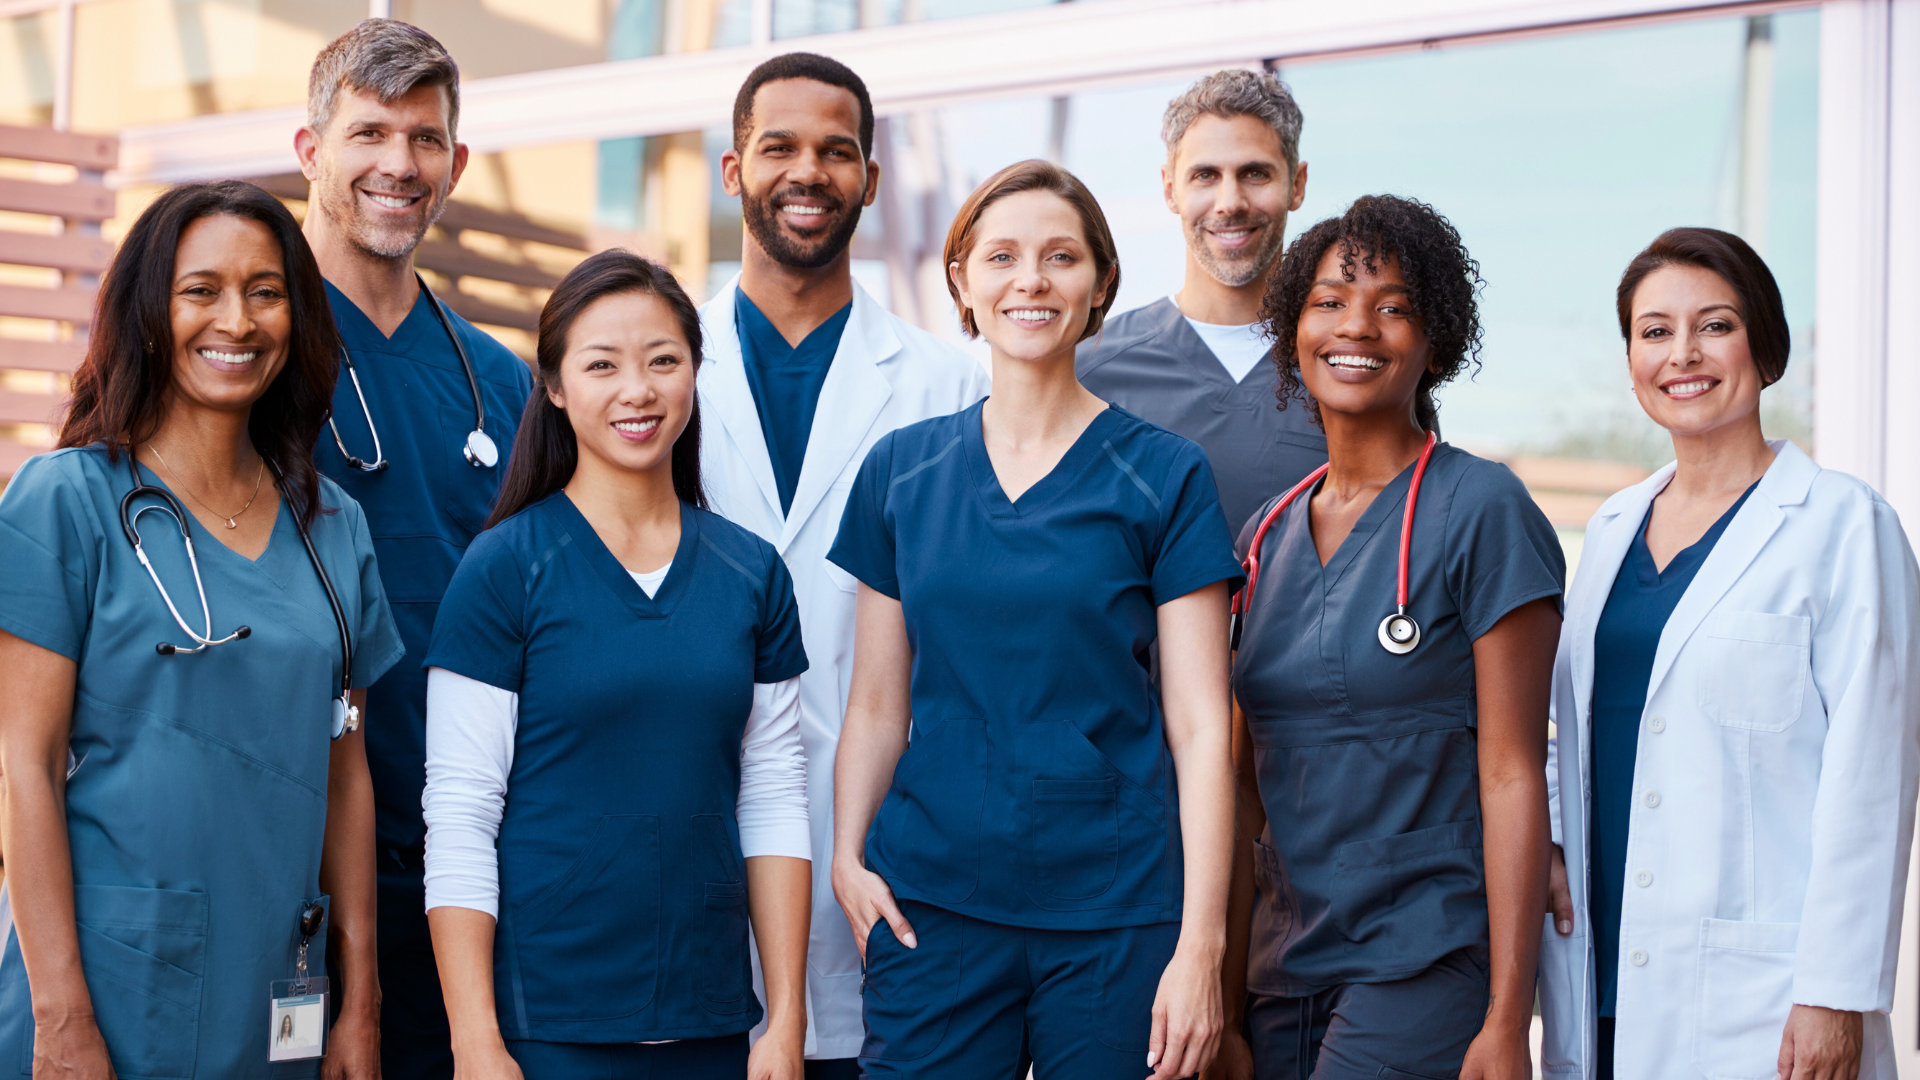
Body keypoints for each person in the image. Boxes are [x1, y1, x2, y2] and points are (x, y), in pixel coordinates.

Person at [830, 159, 1242, 1080]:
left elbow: (1201, 725)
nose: (1031, 280)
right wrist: (846, 858)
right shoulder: (901, 472)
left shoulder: (1165, 475)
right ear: (963, 285)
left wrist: (1200, 945)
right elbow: (875, 705)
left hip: (1115, 912)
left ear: (1098, 286)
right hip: (931, 905)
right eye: (1003, 256)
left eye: (1061, 258)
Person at [0, 180, 402, 1078]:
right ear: (150, 310)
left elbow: (346, 772)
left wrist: (360, 1001)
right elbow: (22, 767)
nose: (238, 319)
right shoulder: (67, 502)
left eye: (266, 292)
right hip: (108, 985)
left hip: (277, 984)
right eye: (201, 290)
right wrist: (61, 1018)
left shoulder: (331, 525)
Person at [1537, 228, 1920, 1080]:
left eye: (1714, 325)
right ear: (1632, 359)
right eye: (1654, 331)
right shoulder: (1608, 530)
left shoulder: (1843, 526)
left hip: (1766, 995)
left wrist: (1836, 991)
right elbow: (1574, 726)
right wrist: (1551, 841)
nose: (1683, 354)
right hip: (1603, 966)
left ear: (1765, 347)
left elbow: (1874, 778)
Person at [421, 250, 812, 1079]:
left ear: (694, 375)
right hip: (547, 1031)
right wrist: (475, 1041)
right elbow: (460, 816)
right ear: (555, 385)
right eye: (602, 365)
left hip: (712, 1026)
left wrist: (785, 1019)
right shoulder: (503, 570)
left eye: (663, 361)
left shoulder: (752, 573)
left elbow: (774, 798)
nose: (638, 390)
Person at [1217, 195, 1562, 1080]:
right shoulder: (1265, 535)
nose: (1355, 326)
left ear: (1434, 338)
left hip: (1423, 955)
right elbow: (1243, 788)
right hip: (1284, 965)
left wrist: (1508, 1013)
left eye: (1393, 305)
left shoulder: (1482, 509)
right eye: (1329, 301)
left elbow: (1514, 770)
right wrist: (1222, 1002)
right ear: (1294, 331)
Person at [698, 51, 991, 1075]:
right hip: (687, 850)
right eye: (779, 147)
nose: (808, 172)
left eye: (838, 151)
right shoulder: (654, 367)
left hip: (900, 858)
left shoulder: (954, 387)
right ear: (732, 170)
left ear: (870, 175)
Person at [295, 21, 535, 1077]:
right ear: (311, 152)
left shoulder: (504, 380)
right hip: (292, 854)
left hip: (465, 865)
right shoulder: (249, 349)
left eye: (425, 139)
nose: (399, 164)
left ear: (457, 163)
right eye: (370, 133)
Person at [1078, 68, 1325, 532]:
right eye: (1205, 175)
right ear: (1171, 188)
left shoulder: (1351, 364)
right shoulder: (1089, 372)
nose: (1229, 201)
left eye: (1254, 173)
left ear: (1297, 184)